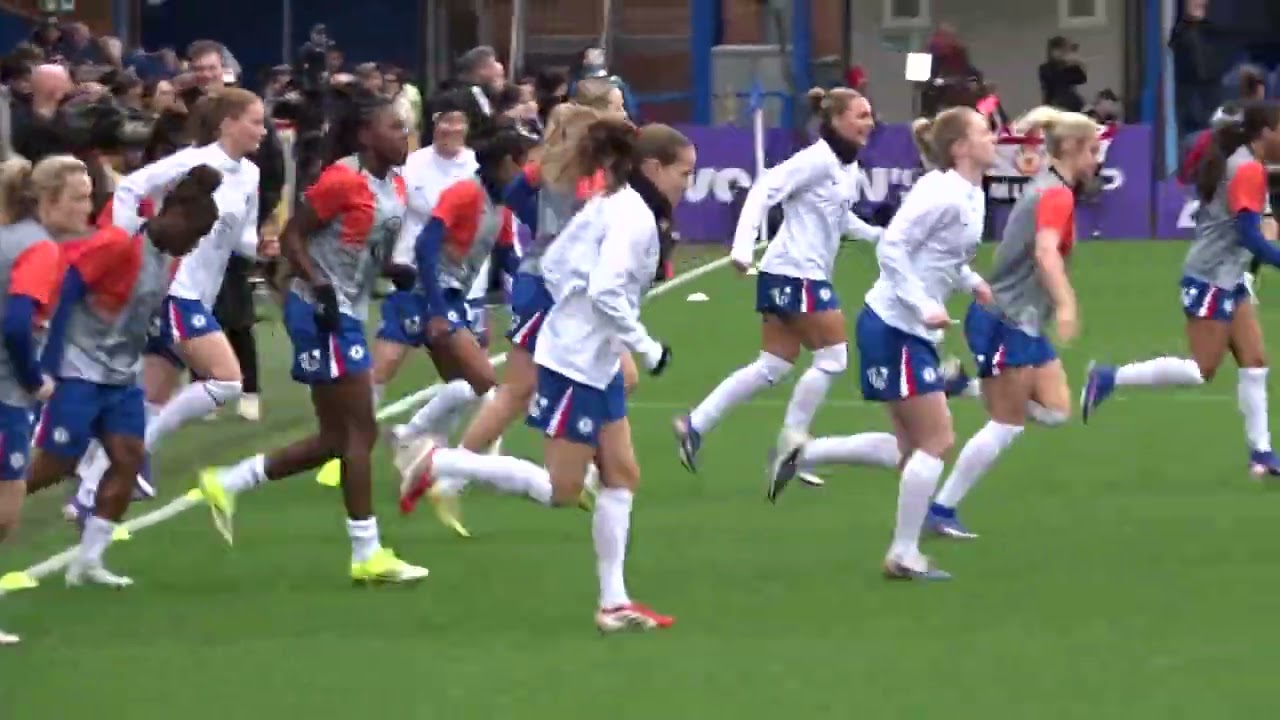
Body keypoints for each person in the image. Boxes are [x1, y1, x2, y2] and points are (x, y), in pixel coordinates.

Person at [408, 120, 691, 632]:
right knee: (563, 490)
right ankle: (441, 460)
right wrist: (646, 348)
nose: (688, 184)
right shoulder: (632, 215)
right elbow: (604, 292)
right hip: (577, 362)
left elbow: (556, 262)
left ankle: (614, 602)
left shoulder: (616, 201)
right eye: (684, 173)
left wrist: (579, 317)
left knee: (622, 475)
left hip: (592, 356)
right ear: (653, 167)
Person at [196, 90, 429, 583]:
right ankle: (367, 551)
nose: (404, 136)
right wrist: (317, 284)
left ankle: (229, 481)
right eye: (395, 127)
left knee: (335, 437)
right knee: (360, 432)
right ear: (367, 134)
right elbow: (296, 236)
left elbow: (357, 242)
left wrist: (392, 269)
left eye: (406, 128)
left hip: (346, 307)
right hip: (322, 313)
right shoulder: (341, 179)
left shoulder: (395, 184)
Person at [778, 105, 997, 580]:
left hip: (906, 328)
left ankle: (804, 454)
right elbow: (893, 246)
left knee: (908, 450)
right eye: (985, 131)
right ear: (960, 147)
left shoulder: (970, 193)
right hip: (895, 326)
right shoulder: (940, 192)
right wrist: (922, 305)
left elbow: (941, 255)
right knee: (937, 439)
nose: (994, 137)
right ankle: (903, 554)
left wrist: (972, 281)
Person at [396, 102, 610, 533]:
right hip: (548, 288)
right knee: (512, 390)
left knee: (598, 377)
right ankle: (445, 468)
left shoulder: (584, 171)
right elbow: (518, 201)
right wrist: (553, 239)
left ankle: (592, 472)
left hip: (566, 289)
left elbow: (516, 209)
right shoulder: (555, 170)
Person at [27, 165, 223, 593]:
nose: (195, 244)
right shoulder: (120, 243)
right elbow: (69, 290)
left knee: (129, 459)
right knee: (53, 466)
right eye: (196, 233)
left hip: (120, 379)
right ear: (174, 217)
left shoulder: (166, 260)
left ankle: (88, 562)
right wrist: (49, 362)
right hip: (79, 371)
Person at [673, 87, 880, 486]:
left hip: (789, 273)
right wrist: (741, 246)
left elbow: (840, 219)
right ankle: (793, 445)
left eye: (870, 114)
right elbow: (763, 190)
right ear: (836, 119)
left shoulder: (847, 166)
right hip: (796, 273)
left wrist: (879, 237)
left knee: (773, 366)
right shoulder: (816, 160)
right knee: (833, 358)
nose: (869, 122)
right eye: (860, 115)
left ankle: (695, 424)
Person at [80, 89, 268, 499]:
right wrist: (128, 244)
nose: (263, 130)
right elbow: (130, 187)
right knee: (227, 382)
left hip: (201, 293)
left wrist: (267, 247)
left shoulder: (250, 174)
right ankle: (134, 453)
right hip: (172, 288)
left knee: (151, 394)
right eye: (255, 121)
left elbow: (245, 239)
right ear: (228, 124)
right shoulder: (192, 163)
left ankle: (91, 487)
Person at [924, 107, 1099, 539]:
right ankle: (941, 510)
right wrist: (1067, 304)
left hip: (1023, 319)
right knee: (1007, 423)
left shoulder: (1052, 181)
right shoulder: (1055, 194)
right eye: (1093, 150)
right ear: (1072, 149)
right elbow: (1045, 252)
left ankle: (961, 385)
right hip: (1006, 318)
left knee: (1057, 412)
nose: (1097, 159)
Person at [1082, 102, 1280, 477]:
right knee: (1201, 370)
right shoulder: (1247, 168)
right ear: (1266, 131)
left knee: (1254, 363)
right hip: (1210, 277)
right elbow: (1250, 236)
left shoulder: (1241, 160)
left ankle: (1263, 454)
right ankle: (1110, 378)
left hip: (1229, 275)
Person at [309, 92, 475, 488]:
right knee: (383, 367)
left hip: (464, 284)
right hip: (414, 280)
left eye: (458, 120)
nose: (451, 128)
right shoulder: (411, 165)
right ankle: (350, 449)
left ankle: (424, 445)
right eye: (443, 120)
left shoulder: (475, 165)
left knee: (468, 381)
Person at [379, 122, 533, 528]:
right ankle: (453, 465)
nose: (531, 170)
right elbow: (426, 245)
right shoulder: (466, 192)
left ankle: (411, 436)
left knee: (467, 384)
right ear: (505, 164)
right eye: (524, 162)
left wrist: (531, 290)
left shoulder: (501, 205)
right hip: (431, 295)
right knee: (485, 382)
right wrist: (435, 308)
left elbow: (507, 256)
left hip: (454, 297)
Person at [0, 154, 94, 645]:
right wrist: (34, 379)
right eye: (78, 198)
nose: (88, 207)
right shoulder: (39, 250)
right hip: (5, 394)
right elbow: (17, 324)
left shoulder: (11, 238)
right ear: (48, 200)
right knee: (4, 509)